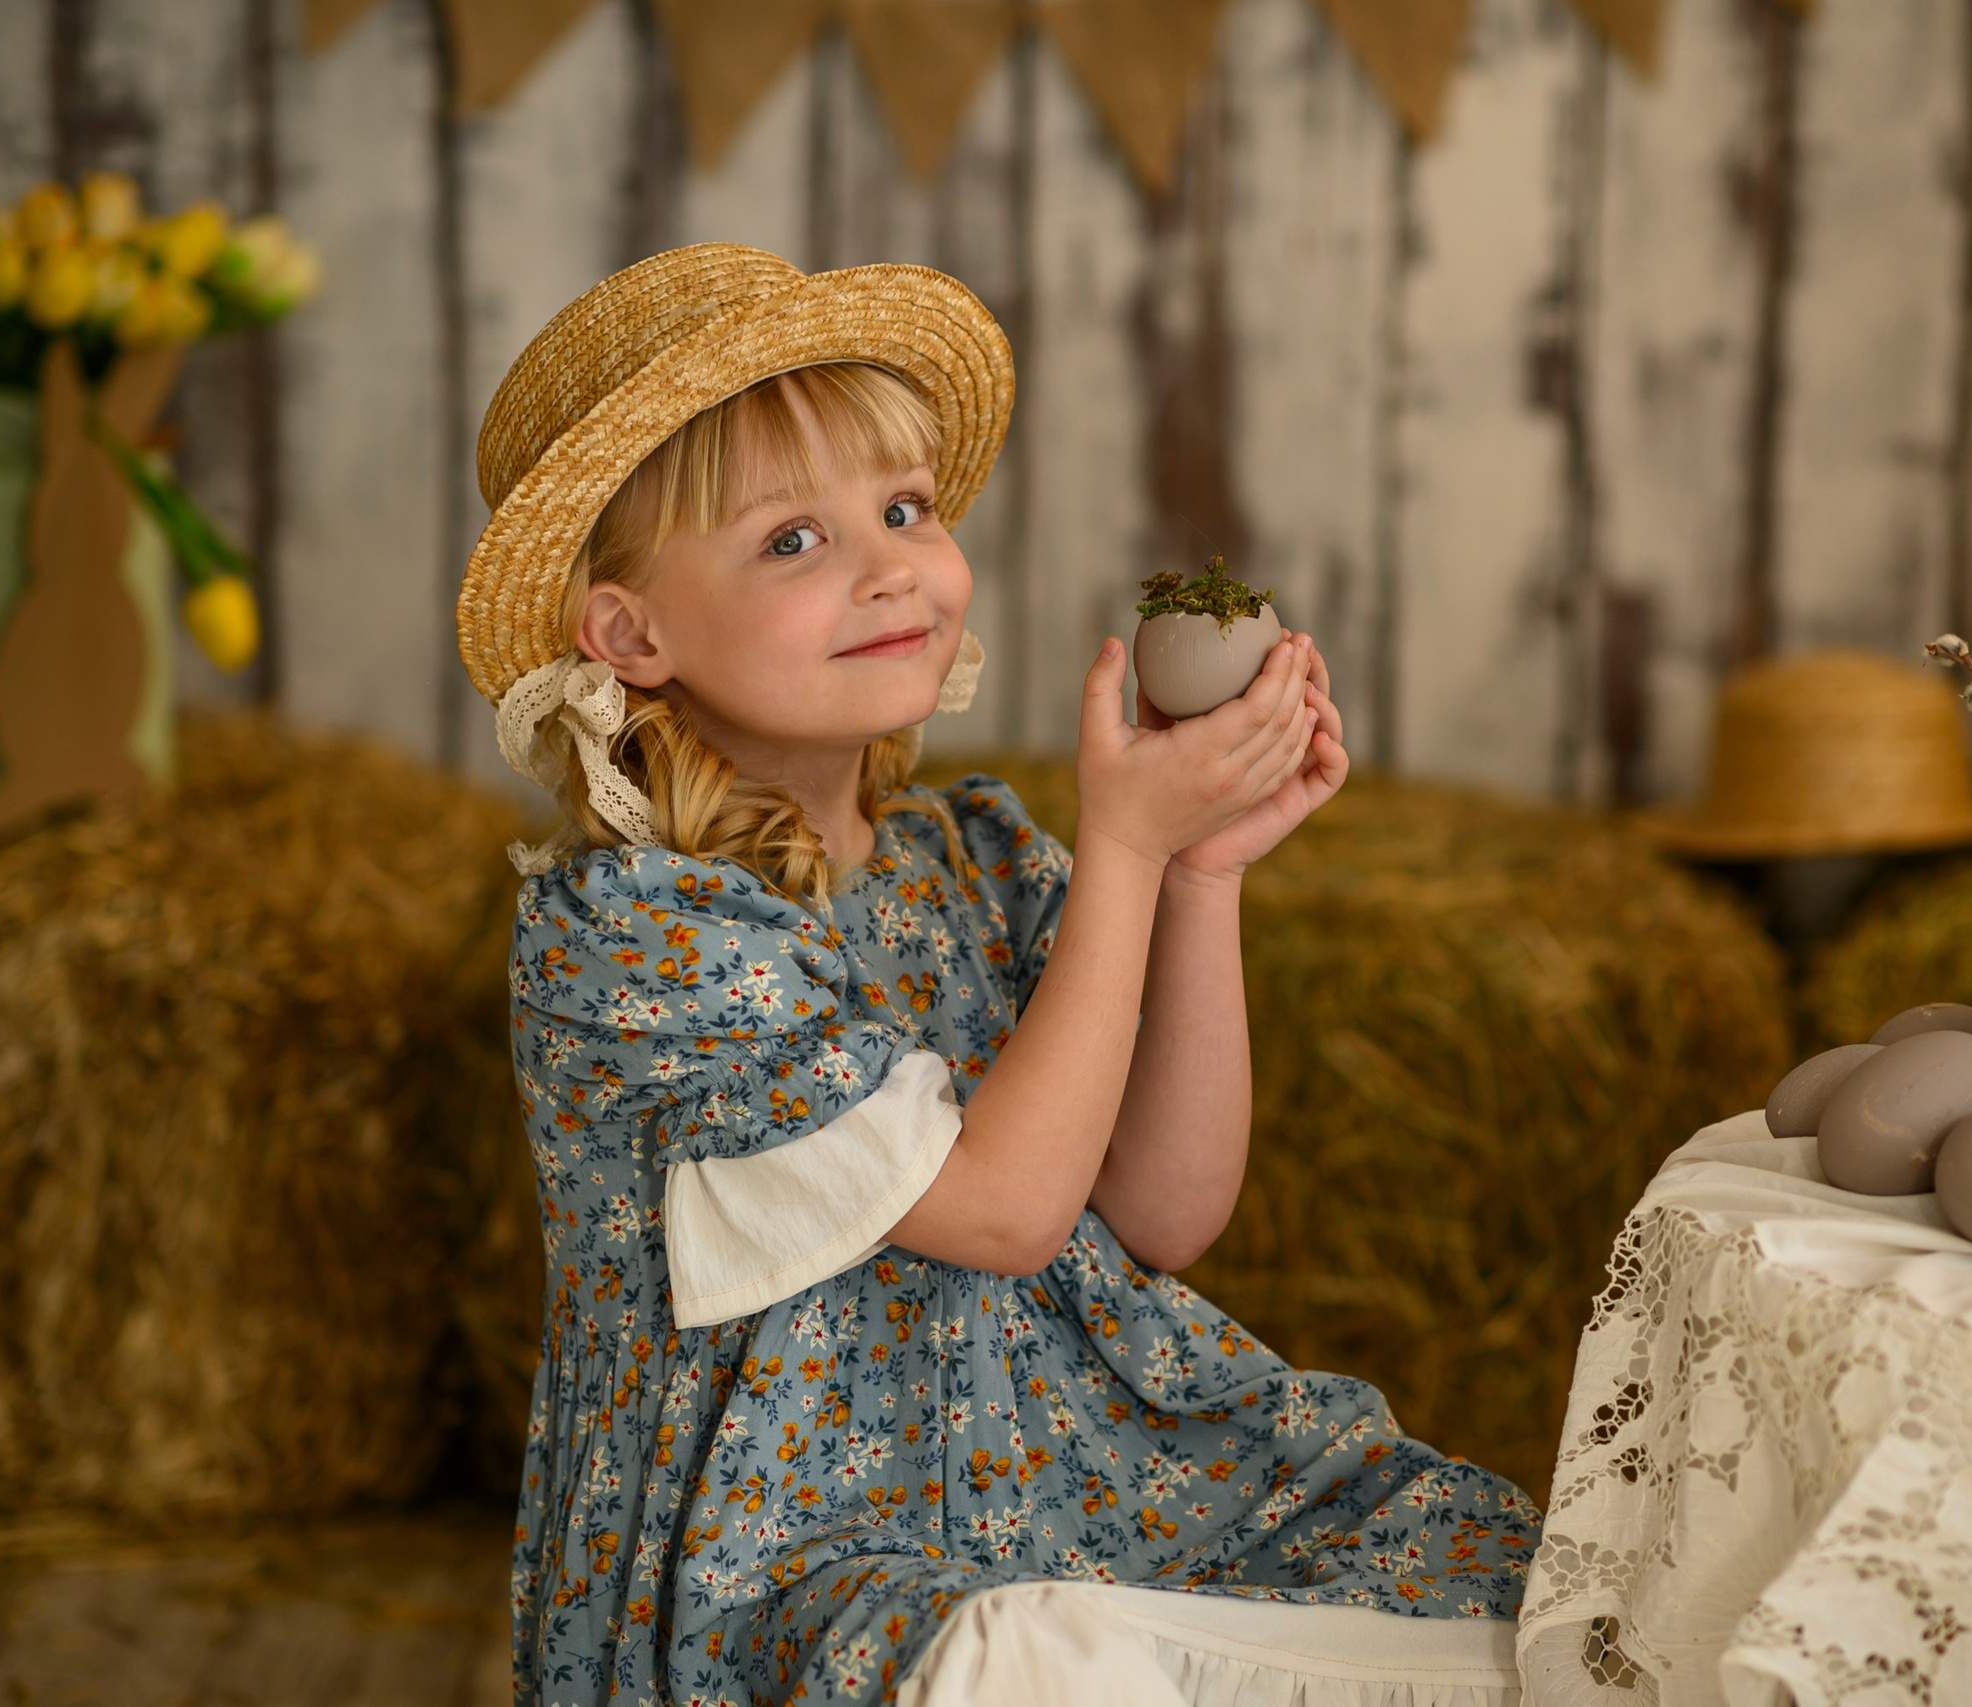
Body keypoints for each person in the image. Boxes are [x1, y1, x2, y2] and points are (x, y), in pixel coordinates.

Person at [457, 243, 1539, 1707]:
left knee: (1490, 1582)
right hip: (787, 1559)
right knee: (1025, 1665)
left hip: (1075, 1461)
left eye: (903, 510)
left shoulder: (968, 855)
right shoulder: (635, 932)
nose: (891, 563)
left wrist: (1194, 870)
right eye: (792, 541)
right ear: (631, 635)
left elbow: (1162, 1211)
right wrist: (1126, 851)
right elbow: (1015, 1213)